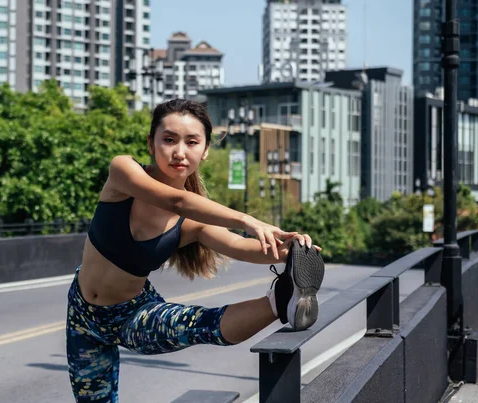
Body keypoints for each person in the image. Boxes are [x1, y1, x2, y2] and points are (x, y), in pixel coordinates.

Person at [66, 99, 325, 402]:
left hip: (133, 315)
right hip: (81, 315)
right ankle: (281, 299)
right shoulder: (123, 171)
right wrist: (246, 219)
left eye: (192, 142)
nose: (179, 152)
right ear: (151, 143)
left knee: (201, 325)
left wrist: (291, 251)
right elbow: (175, 201)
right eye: (169, 140)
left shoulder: (191, 223)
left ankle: (280, 301)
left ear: (204, 151)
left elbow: (240, 246)